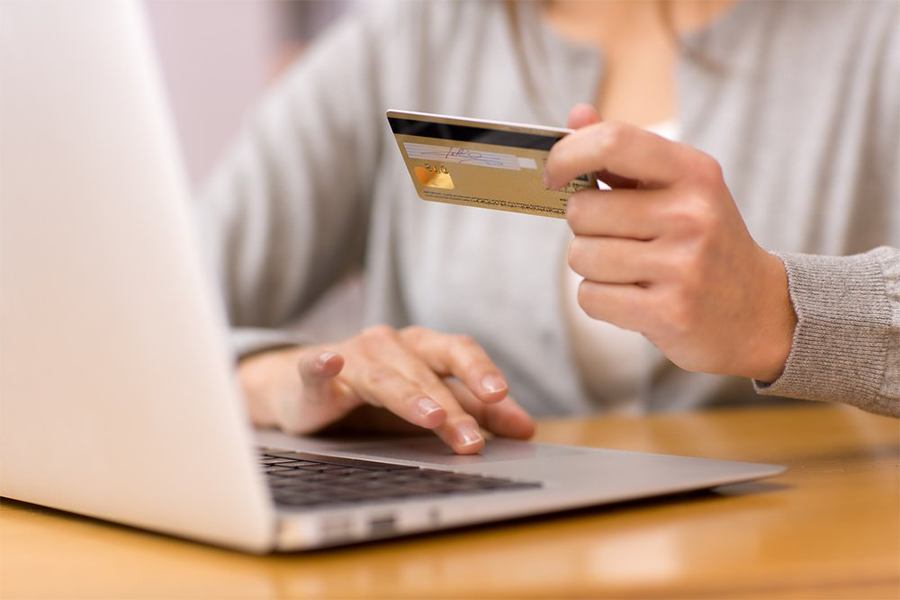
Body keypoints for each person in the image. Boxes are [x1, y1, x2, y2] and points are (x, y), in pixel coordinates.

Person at [196, 0, 900, 455]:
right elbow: (139, 317)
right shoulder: (403, 40)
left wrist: (781, 312)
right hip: (485, 566)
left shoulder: (876, 34)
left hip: (813, 557)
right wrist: (266, 382)